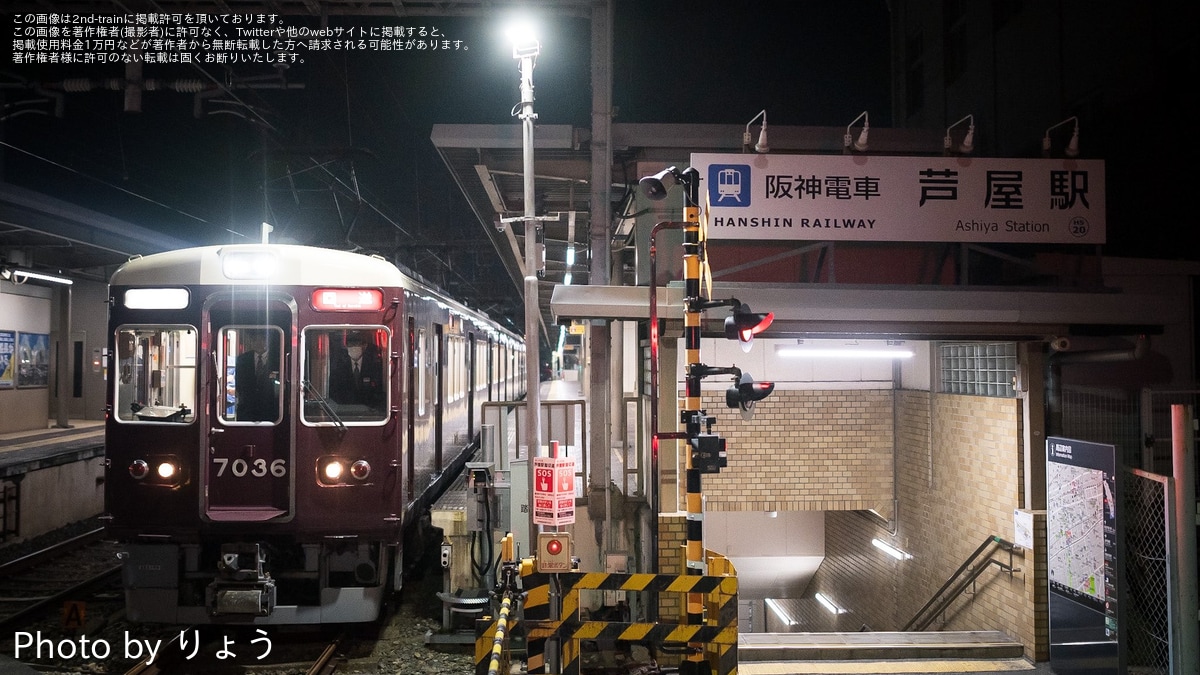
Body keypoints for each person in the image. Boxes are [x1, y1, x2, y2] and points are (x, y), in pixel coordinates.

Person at [329, 331, 383, 409]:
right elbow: (334, 390)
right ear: (346, 347)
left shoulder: (374, 365)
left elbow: (379, 390)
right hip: (343, 411)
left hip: (371, 412)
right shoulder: (339, 366)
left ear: (364, 346)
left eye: (357, 344)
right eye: (351, 345)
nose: (353, 348)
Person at [235, 329, 280, 422]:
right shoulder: (242, 359)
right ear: (251, 342)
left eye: (263, 339)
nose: (259, 342)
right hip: (247, 411)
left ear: (268, 341)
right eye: (256, 340)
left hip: (271, 412)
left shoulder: (278, 359)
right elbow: (239, 384)